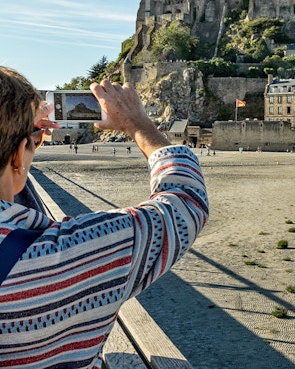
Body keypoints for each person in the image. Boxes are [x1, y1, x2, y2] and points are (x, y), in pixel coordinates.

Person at [0, 67, 209, 368]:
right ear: (19, 156)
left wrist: (21, 136)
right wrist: (137, 123)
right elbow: (186, 202)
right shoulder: (63, 254)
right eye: (37, 141)